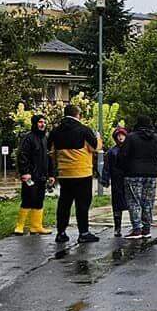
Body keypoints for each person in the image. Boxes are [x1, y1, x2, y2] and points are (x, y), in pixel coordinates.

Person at [47, 103, 102, 246]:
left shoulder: (55, 131)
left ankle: (61, 233)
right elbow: (95, 147)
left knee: (64, 204)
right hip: (82, 172)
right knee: (82, 204)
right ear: (78, 115)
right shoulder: (84, 130)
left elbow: (51, 151)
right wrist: (98, 138)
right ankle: (83, 233)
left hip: (64, 174)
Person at [113, 118, 157, 238]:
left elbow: (122, 156)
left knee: (134, 201)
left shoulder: (131, 137)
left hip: (132, 174)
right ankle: (146, 229)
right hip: (151, 174)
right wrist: (154, 164)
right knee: (148, 201)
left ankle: (136, 229)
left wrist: (124, 168)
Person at [13, 113, 52, 235]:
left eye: (44, 122)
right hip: (30, 176)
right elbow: (22, 155)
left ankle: (36, 226)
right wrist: (25, 172)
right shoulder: (28, 138)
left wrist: (51, 175)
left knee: (39, 199)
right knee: (27, 198)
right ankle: (20, 226)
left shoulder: (45, 139)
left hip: (42, 176)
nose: (42, 124)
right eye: (40, 122)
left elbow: (49, 158)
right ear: (35, 123)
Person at [103, 124, 131, 239]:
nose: (120, 137)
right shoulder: (111, 152)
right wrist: (105, 179)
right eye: (118, 136)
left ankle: (136, 225)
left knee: (132, 204)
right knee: (117, 205)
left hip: (129, 179)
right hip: (116, 181)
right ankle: (117, 227)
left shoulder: (130, 150)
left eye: (122, 135)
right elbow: (106, 167)